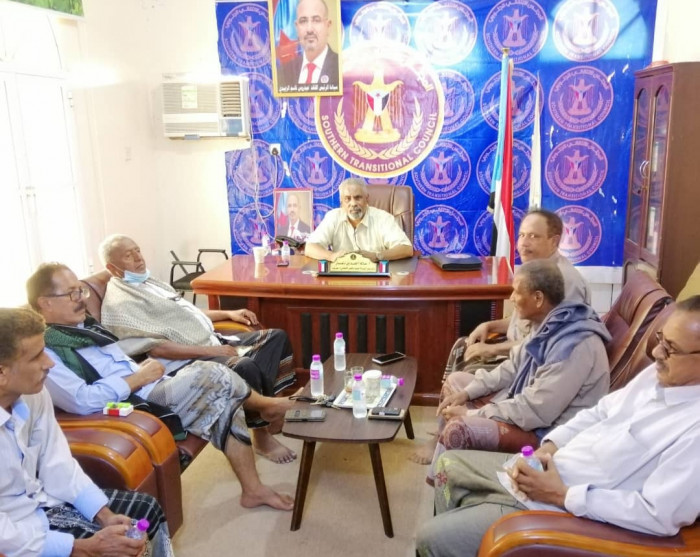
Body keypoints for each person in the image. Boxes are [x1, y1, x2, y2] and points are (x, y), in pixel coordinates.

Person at [416, 296, 700, 557]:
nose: (657, 352)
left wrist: (561, 495)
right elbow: (600, 412)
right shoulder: (656, 376)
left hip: (565, 508)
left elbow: (656, 514)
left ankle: (471, 526)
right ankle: (473, 525)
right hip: (554, 468)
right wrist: (550, 447)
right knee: (448, 466)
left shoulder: (694, 430)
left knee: (430, 538)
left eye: (671, 348)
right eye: (661, 339)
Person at [26, 263, 295, 511]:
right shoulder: (44, 351)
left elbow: (121, 365)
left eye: (81, 290)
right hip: (131, 406)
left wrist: (143, 373)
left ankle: (253, 490)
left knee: (225, 401)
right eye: (71, 293)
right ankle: (267, 406)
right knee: (212, 373)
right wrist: (138, 378)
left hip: (150, 384)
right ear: (45, 302)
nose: (81, 298)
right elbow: (81, 400)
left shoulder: (85, 328)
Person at [97, 234, 298, 464]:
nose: (138, 258)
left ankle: (268, 406)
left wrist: (228, 313)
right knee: (243, 366)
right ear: (112, 268)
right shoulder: (121, 303)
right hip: (183, 361)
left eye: (137, 250)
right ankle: (261, 435)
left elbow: (187, 314)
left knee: (275, 338)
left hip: (209, 340)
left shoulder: (149, 283)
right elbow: (157, 349)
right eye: (128, 255)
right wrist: (213, 352)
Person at [0, 308, 173, 557]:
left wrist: (104, 515)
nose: (50, 363)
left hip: (42, 502)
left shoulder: (34, 394)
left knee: (145, 511)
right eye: (37, 357)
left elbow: (57, 462)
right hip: (14, 534)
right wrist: (81, 548)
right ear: (2, 372)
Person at [419, 260, 610, 482]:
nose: (511, 298)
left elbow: (534, 410)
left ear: (538, 298)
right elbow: (512, 368)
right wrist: (467, 393)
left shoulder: (574, 346)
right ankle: (446, 472)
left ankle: (446, 484)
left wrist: (471, 414)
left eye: (517, 292)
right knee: (456, 382)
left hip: (548, 434)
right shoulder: (550, 323)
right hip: (529, 408)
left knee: (459, 428)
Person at [444, 209, 591, 378]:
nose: (524, 243)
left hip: (535, 366)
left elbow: (549, 341)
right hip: (514, 348)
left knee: (463, 376)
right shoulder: (534, 270)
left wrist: (492, 350)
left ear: (554, 241)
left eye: (533, 236)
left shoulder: (565, 282)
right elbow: (523, 321)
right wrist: (489, 326)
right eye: (521, 235)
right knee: (462, 346)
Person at [304, 177, 414, 262]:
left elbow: (406, 249)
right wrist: (331, 256)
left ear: (367, 199)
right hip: (341, 276)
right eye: (347, 199)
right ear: (341, 202)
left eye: (358, 198)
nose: (353, 203)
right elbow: (310, 247)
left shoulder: (383, 218)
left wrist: (377, 256)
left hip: (376, 277)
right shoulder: (333, 217)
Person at [277, 0, 339, 90]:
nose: (309, 29)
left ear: (328, 26)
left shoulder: (341, 68)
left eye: (316, 20)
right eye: (303, 21)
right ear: (296, 27)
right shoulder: (284, 72)